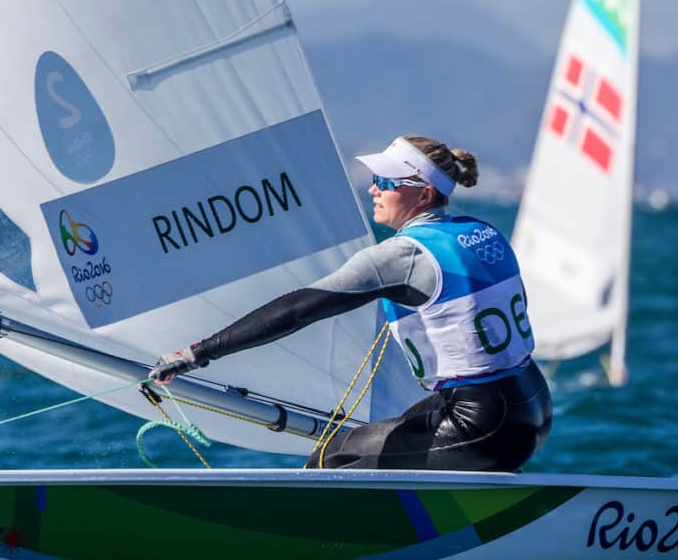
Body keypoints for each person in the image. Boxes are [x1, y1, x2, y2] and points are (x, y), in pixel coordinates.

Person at [150, 135, 551, 471]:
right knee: (377, 435)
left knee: (333, 457)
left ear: (424, 193)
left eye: (385, 181)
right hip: (532, 403)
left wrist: (198, 353)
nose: (373, 188)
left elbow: (296, 310)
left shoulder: (403, 258)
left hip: (483, 422)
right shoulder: (482, 232)